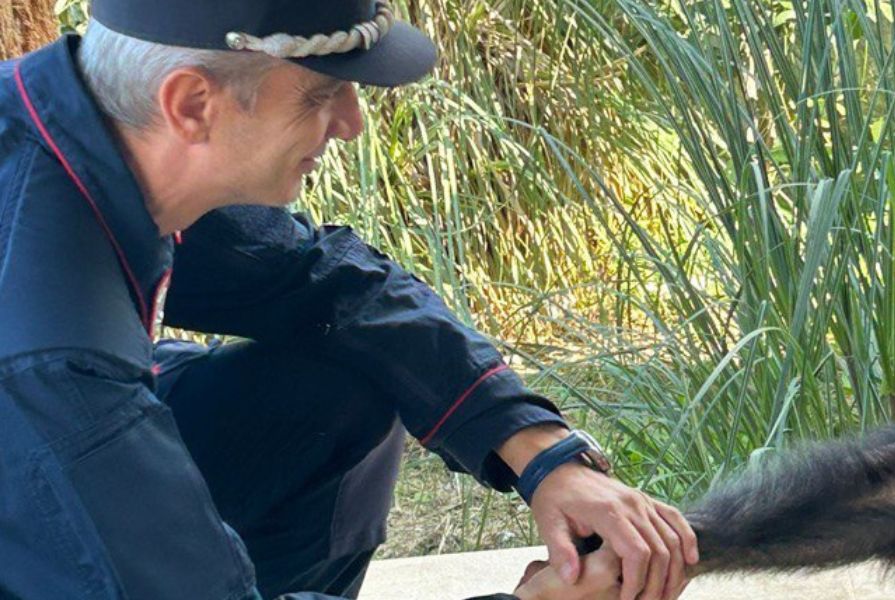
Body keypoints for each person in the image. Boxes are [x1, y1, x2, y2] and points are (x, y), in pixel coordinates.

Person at [0, 1, 697, 599]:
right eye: (319, 93)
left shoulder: (92, 130)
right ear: (192, 104)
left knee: (340, 381)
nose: (353, 122)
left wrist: (541, 453)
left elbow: (328, 280)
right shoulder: (51, 343)